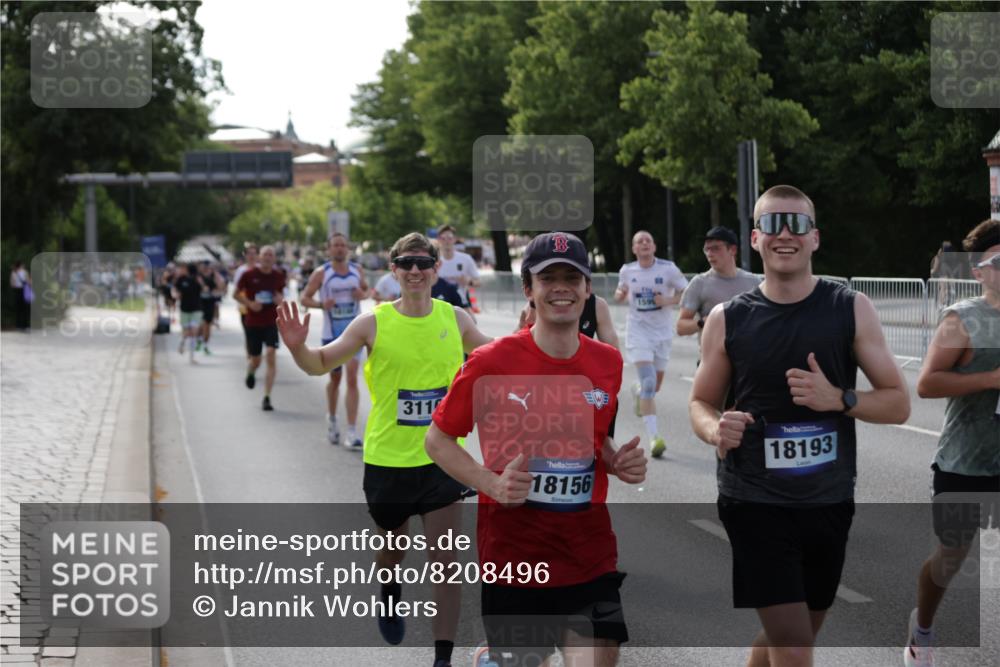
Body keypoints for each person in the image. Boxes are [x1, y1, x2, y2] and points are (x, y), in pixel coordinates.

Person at [689, 185, 911, 667]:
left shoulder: (850, 308)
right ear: (754, 238)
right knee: (793, 647)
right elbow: (701, 402)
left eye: (796, 224)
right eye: (771, 224)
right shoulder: (728, 319)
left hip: (827, 499)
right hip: (754, 500)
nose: (784, 233)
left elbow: (898, 404)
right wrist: (713, 430)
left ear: (815, 238)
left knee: (791, 637)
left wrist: (840, 399)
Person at [426, 231, 647, 667]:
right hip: (515, 558)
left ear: (588, 289)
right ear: (528, 289)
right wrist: (490, 481)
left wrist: (616, 460)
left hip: (589, 553)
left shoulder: (608, 363)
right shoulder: (492, 361)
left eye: (572, 277)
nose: (561, 287)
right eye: (548, 279)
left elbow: (594, 438)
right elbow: (438, 440)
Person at [276, 232, 492, 667]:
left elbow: (497, 358)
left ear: (436, 269)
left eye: (422, 263)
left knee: (445, 562)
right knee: (393, 548)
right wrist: (298, 347)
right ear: (392, 270)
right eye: (406, 264)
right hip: (387, 460)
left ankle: (443, 658)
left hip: (442, 459)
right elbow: (320, 363)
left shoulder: (456, 320)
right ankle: (389, 589)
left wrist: (534, 333)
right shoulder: (371, 323)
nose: (415, 271)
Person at [903, 219, 1000, 667]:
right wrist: (991, 379)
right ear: (979, 271)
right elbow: (926, 384)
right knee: (949, 559)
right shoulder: (962, 318)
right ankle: (922, 629)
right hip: (967, 461)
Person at [614, 230, 688, 458]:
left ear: (654, 247)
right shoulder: (627, 270)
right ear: (634, 249)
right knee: (648, 382)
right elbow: (620, 291)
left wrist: (669, 300)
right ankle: (654, 437)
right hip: (638, 332)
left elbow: (686, 292)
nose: (644, 244)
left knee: (653, 387)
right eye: (639, 241)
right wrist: (620, 293)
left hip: (662, 333)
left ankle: (638, 391)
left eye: (648, 240)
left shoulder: (668, 269)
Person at [300, 232, 370, 447]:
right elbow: (304, 298)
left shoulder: (357, 270)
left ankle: (351, 431)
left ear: (347, 248)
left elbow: (367, 291)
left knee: (351, 378)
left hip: (354, 333)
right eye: (335, 245)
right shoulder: (322, 273)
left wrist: (362, 294)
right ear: (328, 249)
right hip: (331, 334)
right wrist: (322, 305)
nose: (339, 249)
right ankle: (331, 417)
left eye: (343, 245)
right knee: (336, 379)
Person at [677, 226, 760, 344]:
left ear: (733, 250)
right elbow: (681, 327)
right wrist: (704, 322)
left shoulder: (754, 281)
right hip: (713, 359)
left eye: (715, 248)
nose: (710, 254)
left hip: (749, 357)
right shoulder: (699, 283)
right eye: (707, 249)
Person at [235, 246, 286, 411]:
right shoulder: (248, 275)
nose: (268, 258)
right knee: (256, 359)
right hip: (253, 322)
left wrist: (280, 300)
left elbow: (280, 295)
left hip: (272, 322)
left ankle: (267, 397)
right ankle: (251, 370)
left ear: (274, 259)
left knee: (271, 355)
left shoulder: (278, 276)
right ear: (259, 257)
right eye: (265, 255)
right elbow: (235, 294)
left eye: (271, 255)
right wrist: (250, 304)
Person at [517, 293, 620, 350]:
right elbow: (514, 352)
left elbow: (614, 352)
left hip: (581, 378)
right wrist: (523, 331)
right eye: (550, 278)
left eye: (571, 278)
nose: (561, 287)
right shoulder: (535, 306)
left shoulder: (597, 305)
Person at [436, 224, 480, 315]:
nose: (446, 241)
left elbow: (478, 281)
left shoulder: (465, 259)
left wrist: (469, 282)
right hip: (439, 304)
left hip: (461, 304)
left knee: (471, 323)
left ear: (454, 239)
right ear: (439, 240)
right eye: (443, 238)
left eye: (449, 238)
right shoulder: (434, 260)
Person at [172, 263, 206, 364]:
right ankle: (182, 343)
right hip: (184, 309)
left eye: (184, 268)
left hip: (196, 309)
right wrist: (175, 294)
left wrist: (201, 283)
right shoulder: (181, 279)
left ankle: (192, 357)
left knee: (194, 332)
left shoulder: (197, 279)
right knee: (186, 332)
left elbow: (204, 289)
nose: (182, 270)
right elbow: (174, 289)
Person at [233, 244, 259, 361]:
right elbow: (236, 291)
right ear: (245, 255)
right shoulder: (241, 270)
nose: (252, 256)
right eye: (249, 253)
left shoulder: (261, 268)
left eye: (254, 253)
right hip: (245, 307)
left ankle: (256, 353)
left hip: (260, 307)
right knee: (249, 332)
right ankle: (250, 355)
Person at [197, 262, 225, 355]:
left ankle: (205, 345)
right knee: (202, 325)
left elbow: (221, 287)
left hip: (210, 303)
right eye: (204, 267)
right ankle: (199, 340)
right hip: (200, 303)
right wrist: (202, 286)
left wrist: (215, 276)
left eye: (207, 267)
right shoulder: (198, 276)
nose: (205, 268)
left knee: (207, 325)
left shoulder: (214, 276)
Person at [9, 260, 31, 331]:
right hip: (24, 291)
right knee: (25, 309)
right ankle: (25, 326)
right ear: (21, 265)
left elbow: (12, 284)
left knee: (18, 309)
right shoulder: (25, 272)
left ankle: (18, 326)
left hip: (17, 291)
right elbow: (29, 282)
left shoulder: (13, 273)